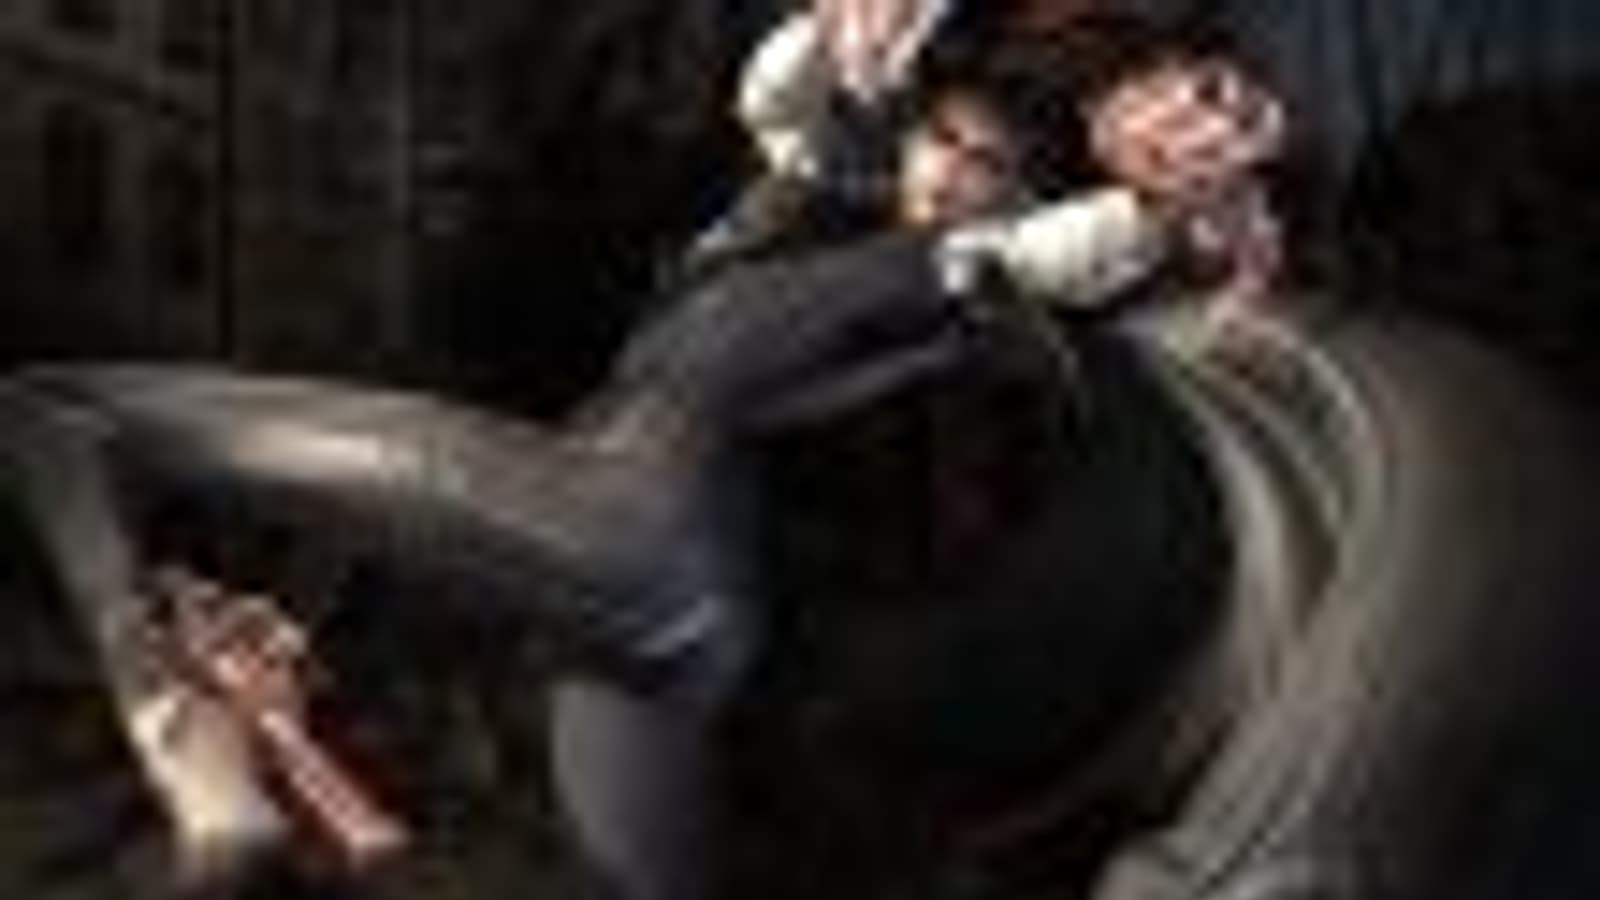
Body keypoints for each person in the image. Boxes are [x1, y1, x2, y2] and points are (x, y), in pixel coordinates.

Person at [0, 15, 1292, 900]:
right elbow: (785, 99)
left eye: (987, 165)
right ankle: (252, 790)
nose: (952, 175)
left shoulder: (969, 268)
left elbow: (1061, 254)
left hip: (617, 510)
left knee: (58, 410)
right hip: (673, 630)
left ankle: (190, 751)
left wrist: (1166, 200)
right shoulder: (812, 199)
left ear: (1017, 193)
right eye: (941, 142)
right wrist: (838, 26)